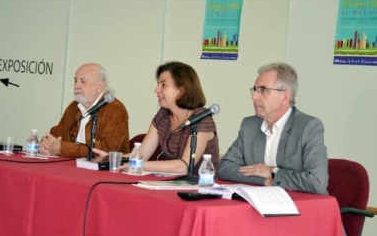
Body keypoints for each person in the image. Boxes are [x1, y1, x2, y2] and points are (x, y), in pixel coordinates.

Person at [218, 62, 328, 194]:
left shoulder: (308, 127)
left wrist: (272, 172)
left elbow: (316, 182)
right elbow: (225, 167)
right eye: (255, 90)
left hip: (301, 207)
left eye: (263, 90)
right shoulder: (250, 125)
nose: (254, 97)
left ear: (284, 97)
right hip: (262, 203)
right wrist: (265, 181)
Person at [94, 61, 219, 175]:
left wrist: (140, 165)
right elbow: (142, 154)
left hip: (201, 187)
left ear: (181, 90)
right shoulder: (163, 115)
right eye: (158, 84)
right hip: (171, 182)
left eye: (163, 85)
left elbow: (184, 166)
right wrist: (112, 158)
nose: (156, 90)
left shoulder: (201, 119)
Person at [39, 63, 130, 157]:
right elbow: (56, 134)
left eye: (83, 81)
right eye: (75, 81)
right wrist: (46, 144)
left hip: (104, 170)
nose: (76, 86)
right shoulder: (74, 107)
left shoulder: (116, 109)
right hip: (71, 166)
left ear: (100, 86)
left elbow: (105, 149)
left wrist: (62, 148)